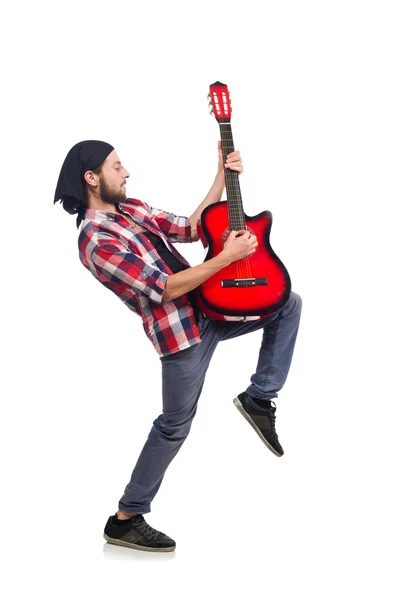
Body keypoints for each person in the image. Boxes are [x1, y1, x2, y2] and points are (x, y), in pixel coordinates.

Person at [54, 140, 302, 553]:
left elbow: (189, 227)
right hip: (182, 336)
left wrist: (222, 176)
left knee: (286, 303)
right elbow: (163, 288)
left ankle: (260, 397)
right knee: (173, 427)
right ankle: (126, 518)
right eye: (117, 167)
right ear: (91, 179)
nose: (127, 173)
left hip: (214, 308)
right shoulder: (96, 240)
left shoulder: (130, 209)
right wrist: (227, 257)